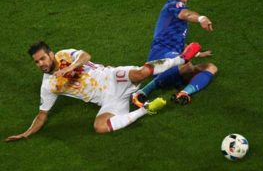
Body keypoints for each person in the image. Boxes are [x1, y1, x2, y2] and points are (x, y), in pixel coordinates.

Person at [5, 41, 201, 141]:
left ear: (50, 53)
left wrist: (71, 67)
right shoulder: (49, 85)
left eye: (42, 58)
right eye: (37, 62)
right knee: (100, 127)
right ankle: (145, 109)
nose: (41, 64)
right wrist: (26, 133)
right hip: (108, 101)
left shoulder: (65, 54)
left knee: (141, 73)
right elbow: (42, 115)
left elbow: (85, 55)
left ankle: (181, 59)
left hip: (111, 77)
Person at [131, 0, 218, 107]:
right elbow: (186, 14)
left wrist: (198, 54)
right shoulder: (173, 5)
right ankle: (141, 92)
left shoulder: (178, 11)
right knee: (186, 65)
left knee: (210, 67)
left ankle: (183, 93)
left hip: (175, 60)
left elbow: (178, 41)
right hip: (160, 56)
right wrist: (201, 18)